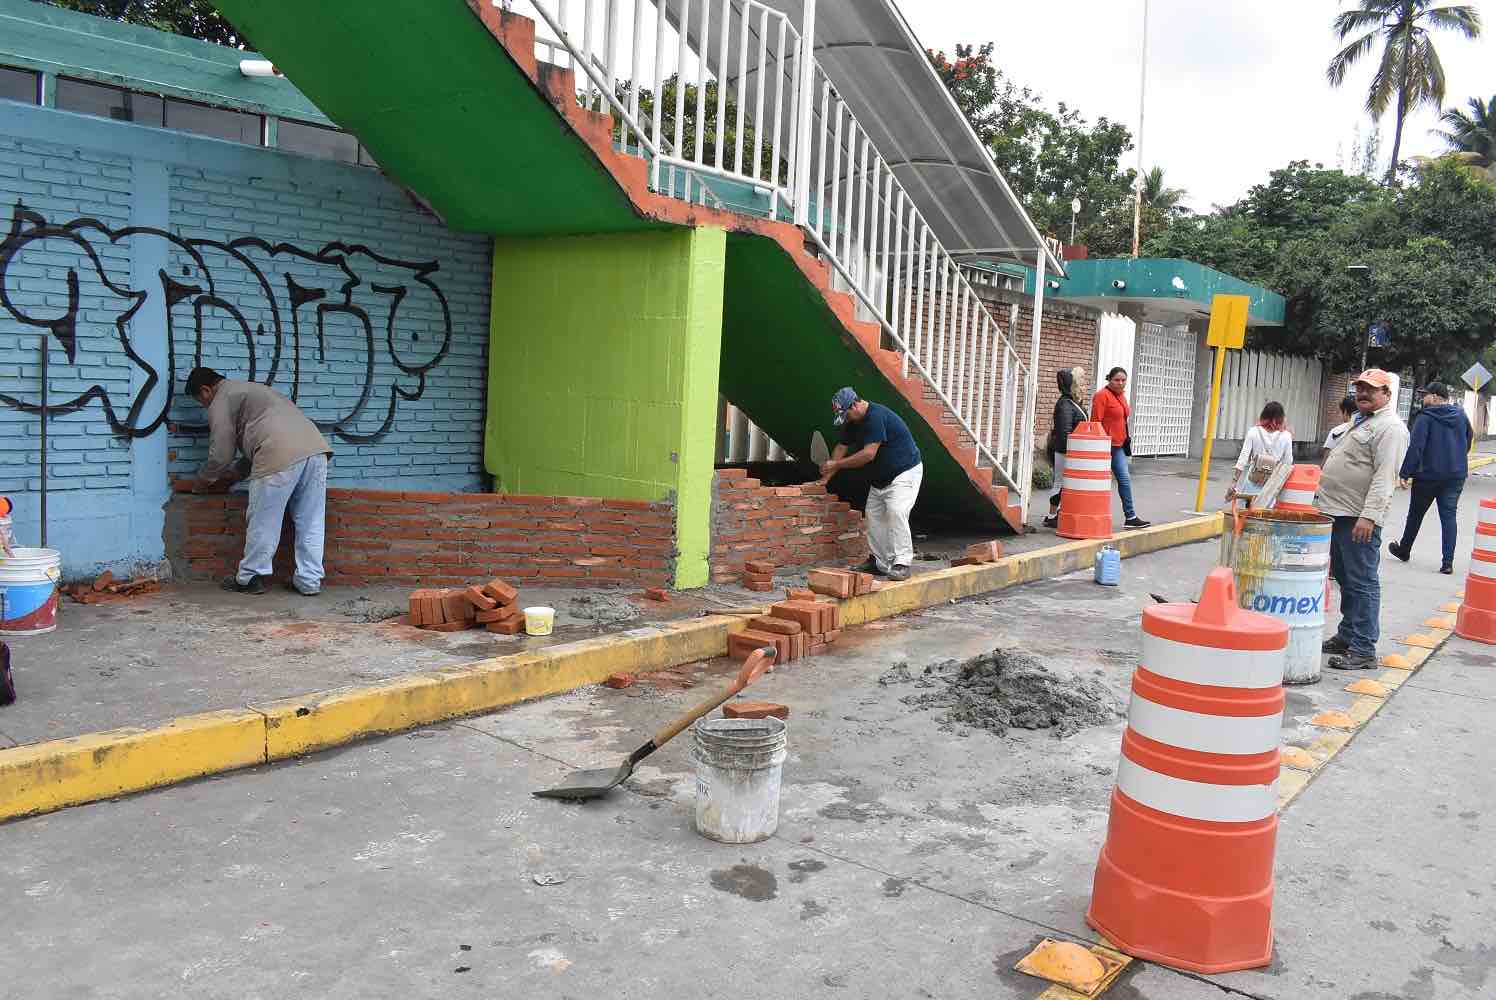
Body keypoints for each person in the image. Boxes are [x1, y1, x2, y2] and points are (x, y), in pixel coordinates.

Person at [185, 367, 333, 596]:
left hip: (278, 453)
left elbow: (220, 455)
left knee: (264, 519)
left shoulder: (221, 398)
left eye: (200, 402)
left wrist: (201, 482)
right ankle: (309, 581)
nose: (204, 407)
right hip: (316, 451)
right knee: (311, 521)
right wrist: (235, 476)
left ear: (205, 390)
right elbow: (254, 444)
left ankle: (249, 577)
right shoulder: (250, 391)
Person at [1315, 369, 1410, 670]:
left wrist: (1369, 517)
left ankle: (1364, 647)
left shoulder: (1391, 428)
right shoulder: (1362, 420)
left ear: (1387, 394)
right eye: (1360, 388)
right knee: (1345, 579)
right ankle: (1348, 635)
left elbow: (1385, 477)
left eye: (1371, 389)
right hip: (1338, 512)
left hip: (1358, 518)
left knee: (1362, 582)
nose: (1363, 393)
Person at [821, 387, 923, 582]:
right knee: (874, 516)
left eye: (846, 413)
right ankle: (880, 562)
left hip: (904, 473)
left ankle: (902, 562)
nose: (846, 419)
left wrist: (837, 465)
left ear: (855, 404)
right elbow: (841, 447)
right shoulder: (853, 421)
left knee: (896, 511)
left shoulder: (875, 416)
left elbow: (869, 454)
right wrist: (827, 477)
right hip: (880, 478)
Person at [1389, 382, 1473, 575]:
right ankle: (1447, 563)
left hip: (1428, 476)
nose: (1422, 398)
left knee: (1415, 514)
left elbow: (1416, 446)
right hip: (1455, 475)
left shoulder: (1425, 417)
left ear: (1435, 397)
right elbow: (1468, 439)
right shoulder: (1460, 415)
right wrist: (1458, 457)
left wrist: (1405, 473)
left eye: (1425, 395)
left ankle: (1404, 550)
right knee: (1449, 517)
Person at [1089, 367, 1150, 529]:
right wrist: (1097, 447)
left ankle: (1130, 517)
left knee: (1124, 479)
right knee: (1095, 484)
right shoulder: (1102, 396)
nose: (1120, 383)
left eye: (1123, 380)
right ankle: (1085, 516)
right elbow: (1095, 422)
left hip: (1118, 446)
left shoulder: (1122, 396)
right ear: (1110, 379)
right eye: (1117, 380)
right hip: (1103, 446)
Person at [1042, 367, 1089, 529]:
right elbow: (1064, 432)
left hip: (1071, 450)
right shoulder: (1065, 404)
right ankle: (1051, 515)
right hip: (1064, 449)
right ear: (1072, 384)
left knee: (1064, 482)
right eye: (1080, 382)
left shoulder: (1072, 403)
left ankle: (1057, 513)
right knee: (1060, 482)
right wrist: (1071, 452)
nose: (1084, 385)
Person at [1227, 401, 1294, 501]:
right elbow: (1288, 462)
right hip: (1272, 484)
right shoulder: (1286, 436)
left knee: (1245, 511)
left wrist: (1234, 482)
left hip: (1253, 479)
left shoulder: (1253, 431)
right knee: (1266, 512)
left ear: (1264, 415)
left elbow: (1243, 458)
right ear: (1281, 417)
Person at [1322, 395, 1357, 459]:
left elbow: (1326, 458)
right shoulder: (1366, 429)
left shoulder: (1336, 431)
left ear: (1345, 412)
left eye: (1340, 412)